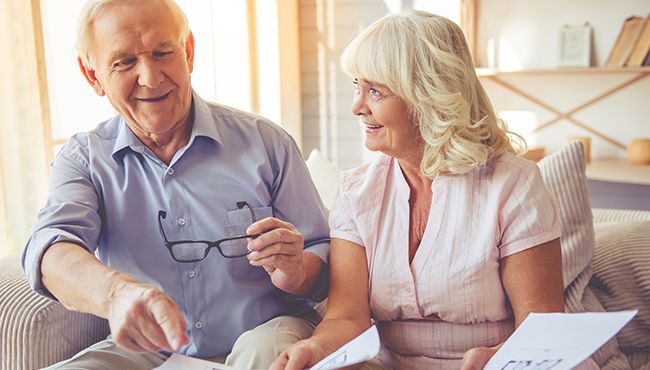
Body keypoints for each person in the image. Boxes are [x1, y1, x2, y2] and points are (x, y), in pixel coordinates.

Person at [22, 0, 330, 369]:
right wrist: (117, 295)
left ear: (188, 51)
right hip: (148, 351)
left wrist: (299, 271)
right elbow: (52, 249)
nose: (151, 77)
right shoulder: (84, 160)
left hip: (266, 330)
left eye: (163, 52)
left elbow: (325, 257)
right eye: (124, 62)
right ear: (93, 77)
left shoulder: (267, 143)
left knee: (267, 354)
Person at [271, 10, 567, 370]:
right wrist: (314, 349)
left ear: (429, 95)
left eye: (375, 91)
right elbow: (346, 319)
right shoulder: (357, 190)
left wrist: (495, 359)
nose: (357, 107)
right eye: (357, 87)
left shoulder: (513, 185)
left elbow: (542, 331)